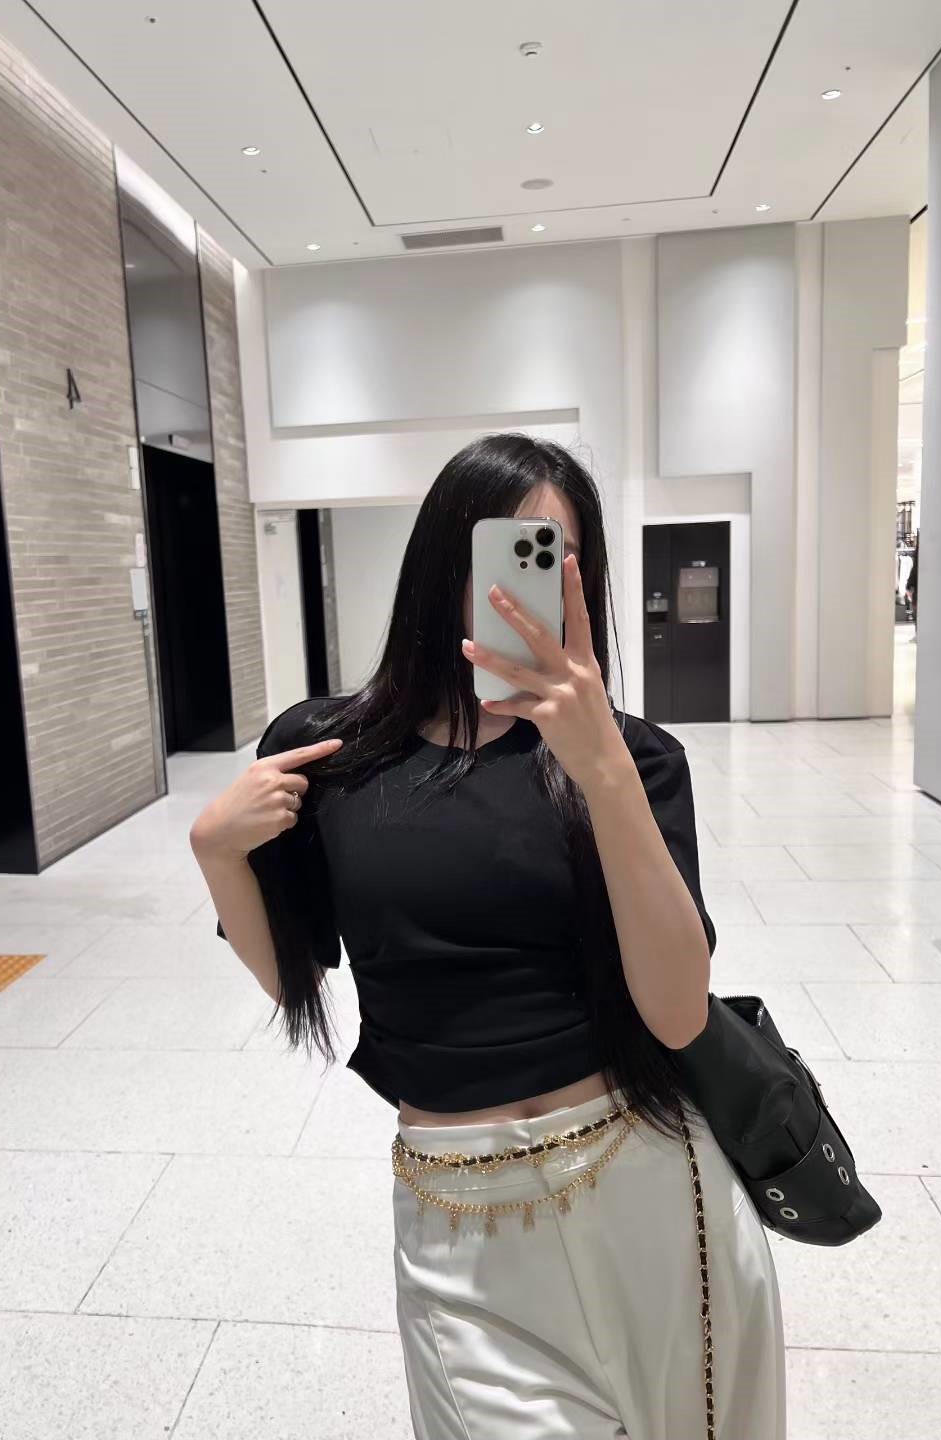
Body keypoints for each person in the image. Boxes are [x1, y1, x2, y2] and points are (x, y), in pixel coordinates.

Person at [190, 434, 785, 1440]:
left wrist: (600, 767)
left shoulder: (637, 759)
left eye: (554, 556)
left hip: (653, 1187)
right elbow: (290, 979)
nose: (522, 583)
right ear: (441, 564)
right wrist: (216, 853)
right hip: (461, 1220)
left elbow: (679, 1009)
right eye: (502, 550)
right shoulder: (329, 751)